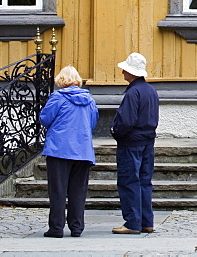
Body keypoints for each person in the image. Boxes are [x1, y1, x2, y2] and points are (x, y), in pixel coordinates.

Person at [38, 65, 98, 238]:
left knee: (58, 190)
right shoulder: (90, 100)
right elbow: (92, 123)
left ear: (61, 80)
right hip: (83, 150)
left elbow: (45, 118)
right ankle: (76, 227)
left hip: (59, 149)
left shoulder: (58, 97)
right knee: (78, 191)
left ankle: (56, 228)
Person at [110, 52, 159, 235]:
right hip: (147, 141)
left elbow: (126, 122)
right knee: (144, 182)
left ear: (131, 72)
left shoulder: (133, 92)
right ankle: (147, 221)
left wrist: (115, 131)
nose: (122, 72)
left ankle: (132, 222)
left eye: (125, 69)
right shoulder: (151, 91)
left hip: (131, 143)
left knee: (129, 181)